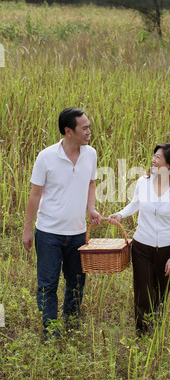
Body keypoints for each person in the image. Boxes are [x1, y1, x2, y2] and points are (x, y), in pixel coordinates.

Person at [22, 107, 102, 338]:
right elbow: (35, 195)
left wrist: (91, 209)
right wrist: (28, 230)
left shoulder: (91, 154)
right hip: (48, 233)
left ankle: (71, 324)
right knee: (47, 285)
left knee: (77, 282)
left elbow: (90, 183)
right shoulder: (46, 157)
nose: (89, 131)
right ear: (69, 131)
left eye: (89, 126)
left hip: (78, 234)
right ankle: (51, 332)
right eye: (84, 128)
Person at [109, 143, 170, 336]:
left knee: (160, 293)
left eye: (158, 157)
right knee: (143, 292)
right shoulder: (143, 182)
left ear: (169, 165)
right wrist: (120, 214)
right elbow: (134, 204)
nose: (153, 159)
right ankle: (142, 334)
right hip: (142, 245)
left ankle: (157, 331)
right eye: (154, 155)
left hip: (166, 249)